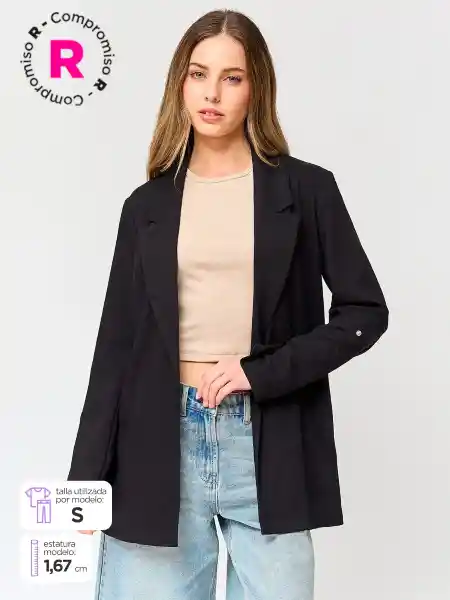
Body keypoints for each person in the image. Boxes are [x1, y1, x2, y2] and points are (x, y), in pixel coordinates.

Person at [67, 8, 389, 600]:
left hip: (267, 438)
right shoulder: (146, 206)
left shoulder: (307, 190)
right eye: (198, 74)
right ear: (180, 83)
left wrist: (260, 372)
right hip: (156, 443)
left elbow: (364, 313)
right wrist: (84, 481)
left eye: (231, 77)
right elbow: (115, 346)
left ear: (256, 87)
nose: (211, 93)